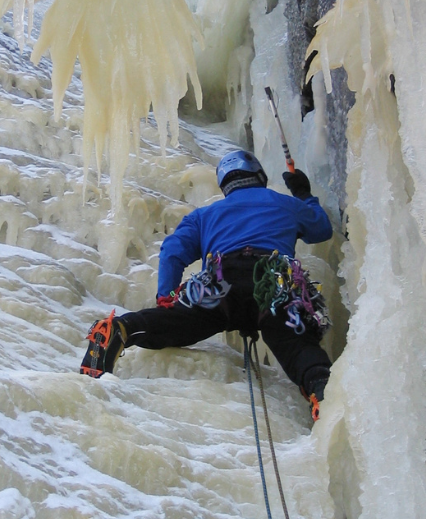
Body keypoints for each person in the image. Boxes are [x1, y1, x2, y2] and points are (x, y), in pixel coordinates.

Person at [80, 150, 334, 418]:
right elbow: (321, 229)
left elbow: (172, 251)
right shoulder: (285, 204)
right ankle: (321, 391)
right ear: (258, 175)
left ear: (224, 183)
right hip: (272, 283)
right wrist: (304, 194)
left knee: (177, 324)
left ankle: (118, 329)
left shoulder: (204, 215)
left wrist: (166, 298)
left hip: (221, 284)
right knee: (296, 346)